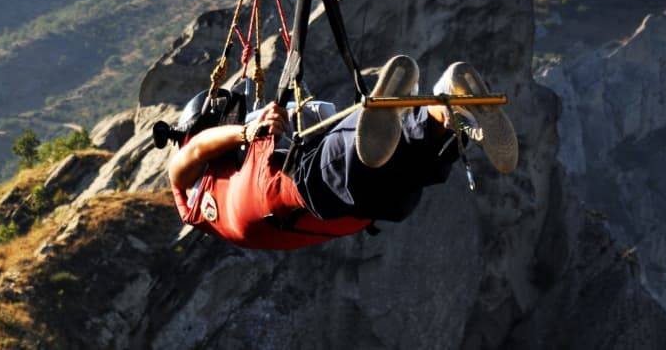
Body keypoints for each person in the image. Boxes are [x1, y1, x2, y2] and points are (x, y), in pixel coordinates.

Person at [167, 56, 519, 250]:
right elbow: (196, 148)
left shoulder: (209, 206)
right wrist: (247, 130)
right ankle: (426, 110)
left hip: (353, 213)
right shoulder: (191, 179)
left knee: (407, 169)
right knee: (333, 163)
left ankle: (447, 113)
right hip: (282, 194)